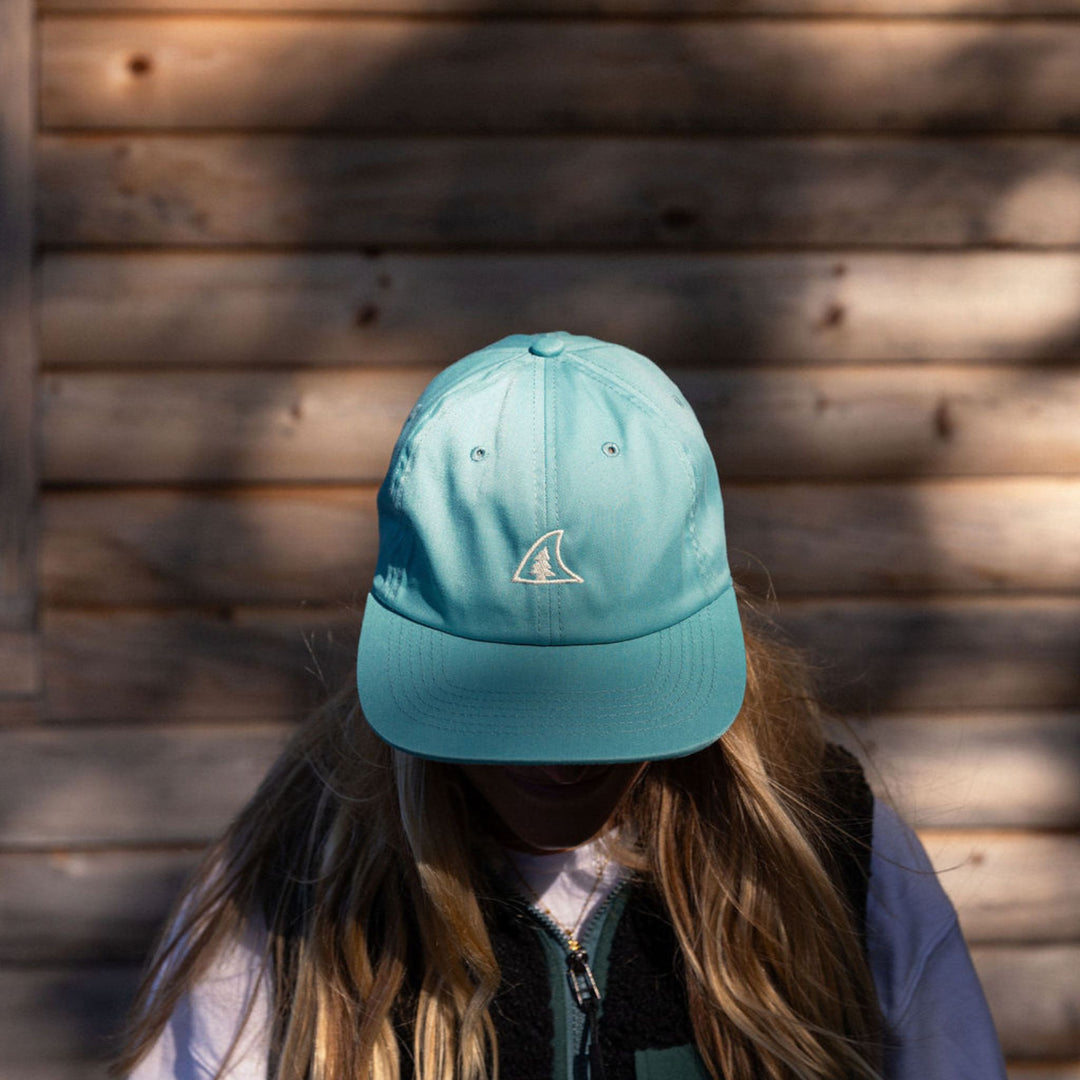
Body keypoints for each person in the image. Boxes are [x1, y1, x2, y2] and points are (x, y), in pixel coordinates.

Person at [115, 333, 1006, 1080]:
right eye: (498, 703)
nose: (560, 758)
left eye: (615, 692)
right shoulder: (287, 888)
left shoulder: (838, 862)